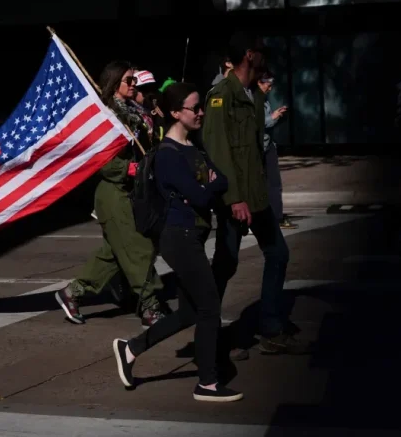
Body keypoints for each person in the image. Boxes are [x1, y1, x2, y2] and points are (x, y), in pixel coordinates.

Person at [112, 82, 243, 402]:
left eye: (200, 107)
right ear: (175, 113)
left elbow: (221, 179)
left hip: (193, 234)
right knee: (210, 306)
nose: (200, 113)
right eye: (194, 108)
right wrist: (206, 185)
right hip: (178, 236)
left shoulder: (193, 149)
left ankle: (130, 349)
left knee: (189, 312)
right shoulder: (168, 155)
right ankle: (207, 384)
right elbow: (202, 192)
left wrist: (207, 186)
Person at [202, 31, 310, 357]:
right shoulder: (222, 95)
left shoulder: (254, 95)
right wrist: (234, 198)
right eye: (260, 52)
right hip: (235, 198)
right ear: (249, 55)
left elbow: (255, 148)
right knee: (226, 263)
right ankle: (209, 336)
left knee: (278, 254)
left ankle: (271, 329)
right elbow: (217, 151)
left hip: (257, 196)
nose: (264, 57)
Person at [56, 61, 169, 328]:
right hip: (114, 194)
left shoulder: (135, 111)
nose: (134, 85)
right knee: (139, 247)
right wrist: (129, 168)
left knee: (116, 253)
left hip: (133, 193)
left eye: (134, 81)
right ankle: (150, 307)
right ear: (114, 82)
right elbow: (103, 161)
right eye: (128, 80)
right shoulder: (107, 116)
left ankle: (73, 293)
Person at [255, 71, 296, 229]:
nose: (270, 88)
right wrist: (273, 117)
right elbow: (258, 122)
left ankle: (276, 216)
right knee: (263, 183)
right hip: (259, 146)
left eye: (271, 85)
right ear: (259, 82)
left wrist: (277, 117)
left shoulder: (263, 99)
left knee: (274, 182)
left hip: (269, 144)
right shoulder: (253, 98)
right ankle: (263, 218)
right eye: (268, 85)